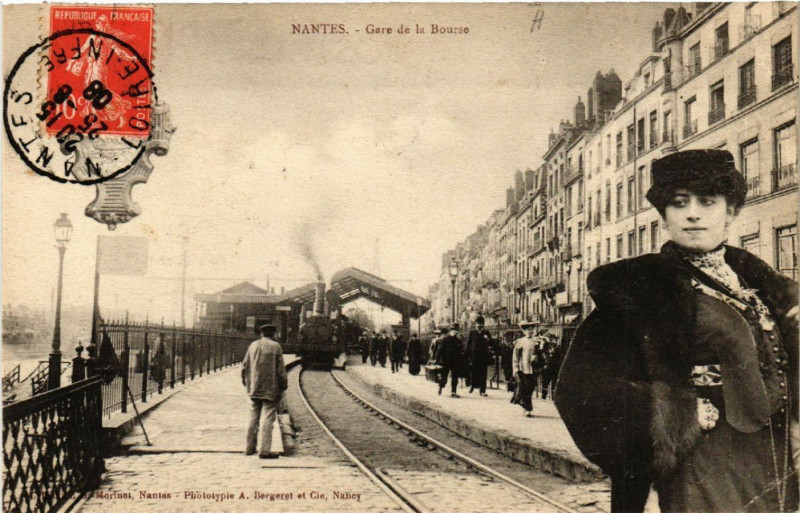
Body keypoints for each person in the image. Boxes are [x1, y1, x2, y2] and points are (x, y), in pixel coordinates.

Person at [556, 150, 799, 513]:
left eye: (708, 201)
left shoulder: (765, 287)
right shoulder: (638, 290)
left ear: (730, 212)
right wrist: (677, 416)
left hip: (773, 459)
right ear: (664, 216)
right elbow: (579, 390)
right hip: (699, 463)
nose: (693, 213)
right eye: (679, 203)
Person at [242, 323, 288, 459]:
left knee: (253, 417)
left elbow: (244, 367)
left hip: (254, 388)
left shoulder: (252, 345)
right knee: (268, 418)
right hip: (270, 389)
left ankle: (249, 448)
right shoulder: (276, 347)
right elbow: (281, 371)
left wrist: (247, 384)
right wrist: (283, 386)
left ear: (261, 334)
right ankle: (265, 450)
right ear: (273, 335)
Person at [512, 321, 543, 416]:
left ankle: (521, 402)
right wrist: (516, 368)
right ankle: (527, 409)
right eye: (528, 329)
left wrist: (537, 356)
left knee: (530, 388)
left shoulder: (536, 341)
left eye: (531, 329)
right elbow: (516, 357)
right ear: (524, 331)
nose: (530, 331)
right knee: (525, 388)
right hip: (523, 368)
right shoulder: (520, 341)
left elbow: (541, 354)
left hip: (533, 369)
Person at [467, 316, 492, 396]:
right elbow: (468, 345)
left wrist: (488, 340)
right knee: (473, 372)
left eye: (481, 324)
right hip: (474, 356)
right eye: (478, 324)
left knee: (483, 374)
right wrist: (468, 356)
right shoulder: (472, 333)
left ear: (483, 324)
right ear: (475, 324)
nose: (479, 326)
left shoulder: (486, 333)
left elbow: (491, 343)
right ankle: (472, 385)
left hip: (483, 357)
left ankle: (482, 390)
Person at [436, 323, 463, 397]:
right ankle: (441, 387)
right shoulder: (445, 339)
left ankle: (453, 391)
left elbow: (460, 351)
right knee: (444, 376)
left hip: (455, 361)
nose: (455, 331)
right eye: (454, 330)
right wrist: (437, 361)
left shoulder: (457, 340)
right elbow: (439, 350)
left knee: (455, 377)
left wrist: (460, 359)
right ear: (451, 330)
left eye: (457, 330)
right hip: (446, 361)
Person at [539, 335, 562, 400]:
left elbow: (559, 357)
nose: (554, 341)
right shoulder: (545, 347)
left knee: (554, 385)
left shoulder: (558, 348)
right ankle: (543, 397)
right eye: (552, 340)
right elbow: (542, 354)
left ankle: (553, 398)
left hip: (555, 369)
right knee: (544, 384)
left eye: (555, 340)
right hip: (546, 369)